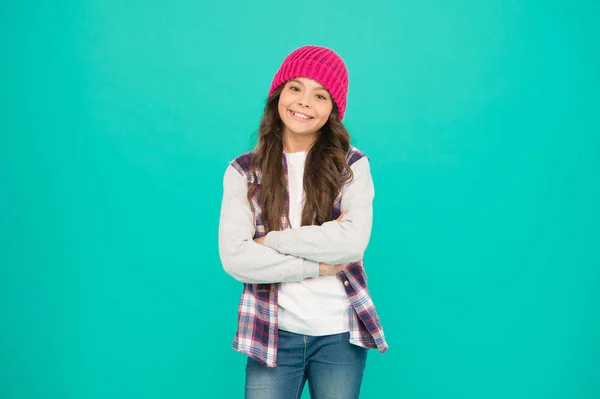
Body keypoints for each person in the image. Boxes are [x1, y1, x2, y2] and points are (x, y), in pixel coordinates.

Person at [218, 45, 388, 399]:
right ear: (278, 93)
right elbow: (236, 259)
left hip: (339, 334)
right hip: (272, 331)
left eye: (320, 95)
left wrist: (272, 242)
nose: (304, 102)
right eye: (295, 88)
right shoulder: (243, 171)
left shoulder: (351, 166)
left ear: (333, 109)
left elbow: (351, 243)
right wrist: (318, 267)